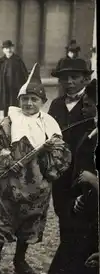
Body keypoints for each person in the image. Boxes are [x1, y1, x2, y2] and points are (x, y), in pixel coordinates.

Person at [0, 64, 72, 274]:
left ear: (43, 102)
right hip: (8, 184)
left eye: (34, 99)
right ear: (19, 100)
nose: (29, 103)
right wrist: (6, 160)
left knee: (29, 221)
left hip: (37, 184)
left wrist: (51, 155)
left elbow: (62, 156)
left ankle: (20, 259)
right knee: (2, 219)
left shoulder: (50, 126)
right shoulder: (8, 123)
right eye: (25, 99)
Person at [36, 79, 99, 274]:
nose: (84, 109)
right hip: (83, 205)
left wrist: (94, 182)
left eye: (89, 105)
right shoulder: (92, 130)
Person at [47, 57, 95, 244]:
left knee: (83, 211)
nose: (69, 82)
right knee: (62, 209)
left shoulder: (91, 104)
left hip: (84, 169)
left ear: (85, 79)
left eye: (74, 77)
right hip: (60, 170)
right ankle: (65, 249)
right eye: (64, 78)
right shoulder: (56, 104)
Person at [0, 40, 29, 117]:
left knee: (15, 107)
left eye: (10, 48)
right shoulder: (1, 62)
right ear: (3, 50)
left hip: (15, 90)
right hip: (5, 89)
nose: (8, 50)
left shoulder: (18, 61)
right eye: (6, 48)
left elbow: (24, 76)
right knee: (5, 107)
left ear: (13, 48)